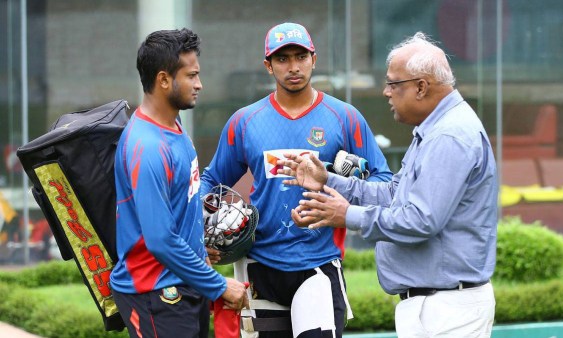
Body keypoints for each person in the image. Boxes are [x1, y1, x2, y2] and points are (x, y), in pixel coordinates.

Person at [278, 32, 498, 338]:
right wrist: (329, 180)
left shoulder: (449, 136)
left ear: (421, 87)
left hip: (447, 307)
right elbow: (395, 194)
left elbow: (420, 220)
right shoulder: (434, 130)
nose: (385, 92)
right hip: (434, 304)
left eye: (393, 84)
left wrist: (347, 215)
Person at [200, 22, 392, 338]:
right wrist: (201, 229)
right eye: (283, 58)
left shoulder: (344, 117)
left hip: (318, 264)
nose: (293, 67)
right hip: (260, 267)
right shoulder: (245, 121)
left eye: (300, 56)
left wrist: (331, 182)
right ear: (268, 66)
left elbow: (384, 182)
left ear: (313, 59)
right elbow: (211, 180)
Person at [109, 28, 248, 338]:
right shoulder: (147, 149)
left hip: (184, 284)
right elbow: (160, 239)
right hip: (155, 295)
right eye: (192, 75)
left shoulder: (174, 124)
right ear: (163, 80)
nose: (199, 84)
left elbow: (178, 208)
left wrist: (200, 247)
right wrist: (219, 285)